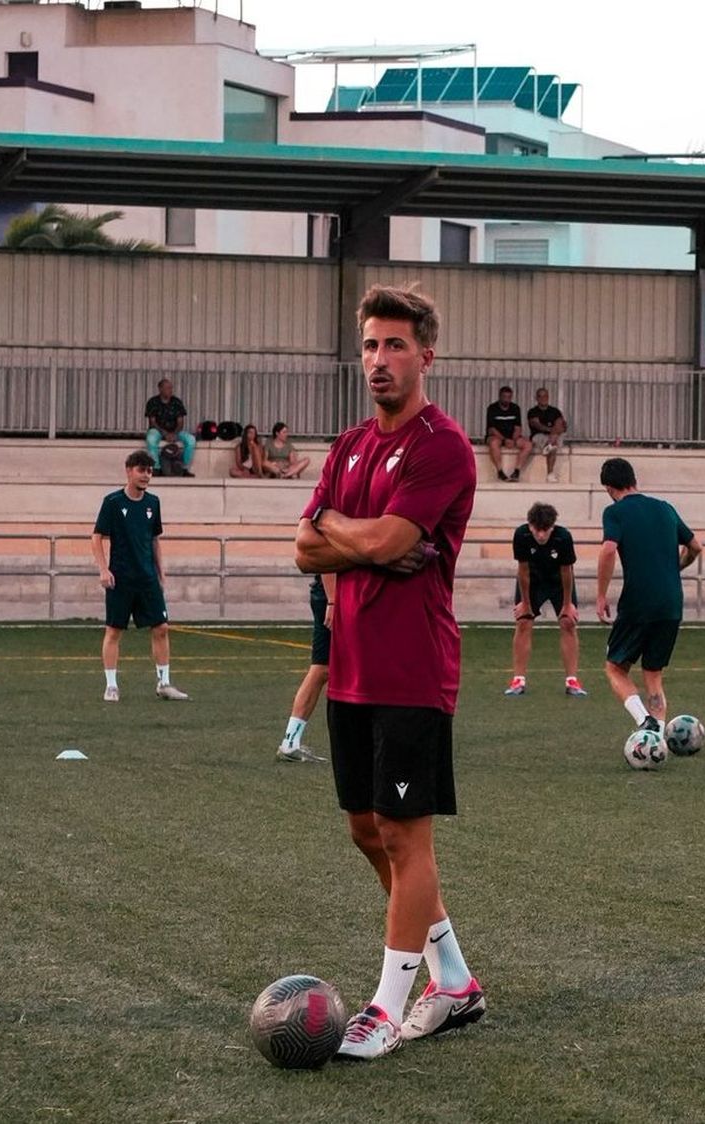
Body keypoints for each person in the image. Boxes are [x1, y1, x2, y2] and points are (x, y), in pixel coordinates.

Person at [294, 283, 483, 1060]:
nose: (378, 359)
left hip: (413, 669)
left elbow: (383, 541)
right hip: (353, 669)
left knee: (406, 838)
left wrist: (344, 533)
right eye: (371, 345)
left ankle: (384, 1005)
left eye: (394, 345)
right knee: (364, 831)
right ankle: (457, 980)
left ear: (425, 356)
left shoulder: (443, 445)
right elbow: (309, 545)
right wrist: (346, 530)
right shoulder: (348, 446)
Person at [594, 457, 703, 732]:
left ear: (608, 487)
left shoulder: (615, 512)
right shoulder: (665, 509)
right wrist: (675, 567)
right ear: (633, 480)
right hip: (671, 602)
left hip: (638, 601)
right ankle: (659, 740)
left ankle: (646, 723)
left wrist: (600, 595)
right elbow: (696, 546)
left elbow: (608, 550)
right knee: (653, 674)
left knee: (615, 666)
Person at [92, 450, 190, 702]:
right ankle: (111, 685)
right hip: (121, 578)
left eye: (149, 471)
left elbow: (154, 540)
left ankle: (164, 683)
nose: (146, 475)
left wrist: (161, 571)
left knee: (161, 627)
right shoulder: (113, 502)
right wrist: (104, 569)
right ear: (128, 471)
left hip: (147, 578)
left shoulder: (153, 503)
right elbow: (96, 537)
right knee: (114, 631)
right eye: (141, 470)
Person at [505, 502, 587, 698]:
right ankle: (518, 680)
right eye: (537, 530)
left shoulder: (563, 537)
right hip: (533, 580)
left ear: (553, 527)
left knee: (568, 623)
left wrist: (567, 604)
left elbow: (567, 571)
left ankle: (572, 681)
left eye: (546, 530)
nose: (541, 535)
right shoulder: (522, 535)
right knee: (523, 622)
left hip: (558, 581)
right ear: (530, 526)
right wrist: (525, 603)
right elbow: (523, 571)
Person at [275, 573, 333, 763]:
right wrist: (332, 601)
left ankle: (290, 741)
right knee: (322, 669)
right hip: (330, 596)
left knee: (324, 669)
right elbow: (329, 563)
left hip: (331, 595)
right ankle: (290, 741)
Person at [144, 378, 195, 475]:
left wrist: (174, 434)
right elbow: (152, 422)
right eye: (167, 388)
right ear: (160, 389)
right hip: (158, 430)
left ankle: (184, 468)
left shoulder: (177, 402)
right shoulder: (153, 402)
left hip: (175, 431)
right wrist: (165, 433)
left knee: (191, 439)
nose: (170, 390)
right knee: (150, 439)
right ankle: (156, 468)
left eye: (171, 388)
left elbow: (180, 422)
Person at [484, 385, 531, 482]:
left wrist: (513, 440)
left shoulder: (515, 408)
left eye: (509, 397)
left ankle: (516, 471)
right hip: (497, 436)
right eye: (504, 397)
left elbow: (518, 428)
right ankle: (500, 471)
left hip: (512, 437)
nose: (506, 399)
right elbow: (491, 429)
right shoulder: (492, 408)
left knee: (528, 445)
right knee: (493, 443)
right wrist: (504, 440)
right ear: (500, 397)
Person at [523, 387, 568, 483]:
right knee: (553, 444)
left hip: (554, 436)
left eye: (545, 396)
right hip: (539, 436)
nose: (543, 398)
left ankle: (548, 446)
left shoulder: (555, 411)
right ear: (536, 398)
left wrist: (554, 433)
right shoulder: (532, 411)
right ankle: (550, 473)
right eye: (541, 396)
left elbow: (563, 426)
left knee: (553, 445)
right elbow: (537, 425)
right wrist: (553, 431)